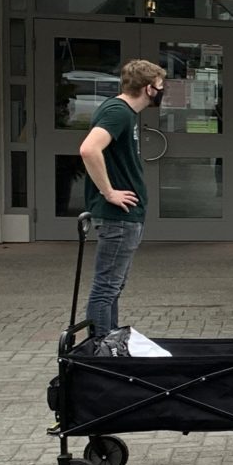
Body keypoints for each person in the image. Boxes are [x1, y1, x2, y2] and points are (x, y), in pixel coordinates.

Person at [77, 58, 165, 337]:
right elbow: (89, 149)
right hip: (118, 217)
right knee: (106, 287)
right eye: (161, 85)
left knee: (113, 286)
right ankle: (102, 347)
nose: (162, 91)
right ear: (149, 88)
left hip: (126, 216)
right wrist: (109, 192)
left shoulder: (123, 112)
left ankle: (108, 339)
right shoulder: (118, 112)